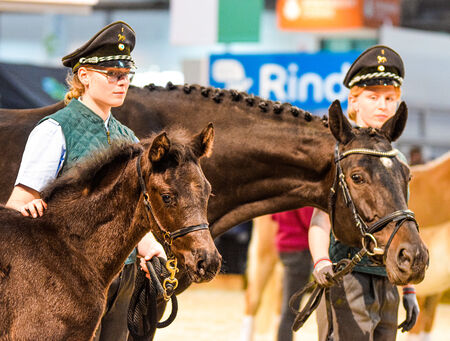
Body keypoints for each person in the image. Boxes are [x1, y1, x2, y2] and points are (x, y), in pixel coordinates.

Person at [5, 21, 165, 341]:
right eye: (113, 75)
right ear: (84, 76)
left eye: (126, 76)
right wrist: (31, 206)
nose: (122, 83)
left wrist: (149, 247)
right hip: (64, 277)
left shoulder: (129, 139)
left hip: (122, 273)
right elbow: (18, 203)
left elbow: (130, 213)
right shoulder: (54, 130)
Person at [308, 45, 419, 341]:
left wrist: (408, 288)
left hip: (388, 280)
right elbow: (320, 220)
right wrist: (321, 261)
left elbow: (403, 227)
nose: (383, 106)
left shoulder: (398, 161)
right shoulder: (342, 156)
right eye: (373, 97)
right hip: (346, 276)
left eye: (390, 98)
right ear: (353, 103)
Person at [273, 207, 314, 341]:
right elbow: (309, 221)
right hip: (300, 249)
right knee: (291, 311)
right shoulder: (301, 198)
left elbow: (273, 216)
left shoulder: (282, 193)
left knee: (288, 308)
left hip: (285, 246)